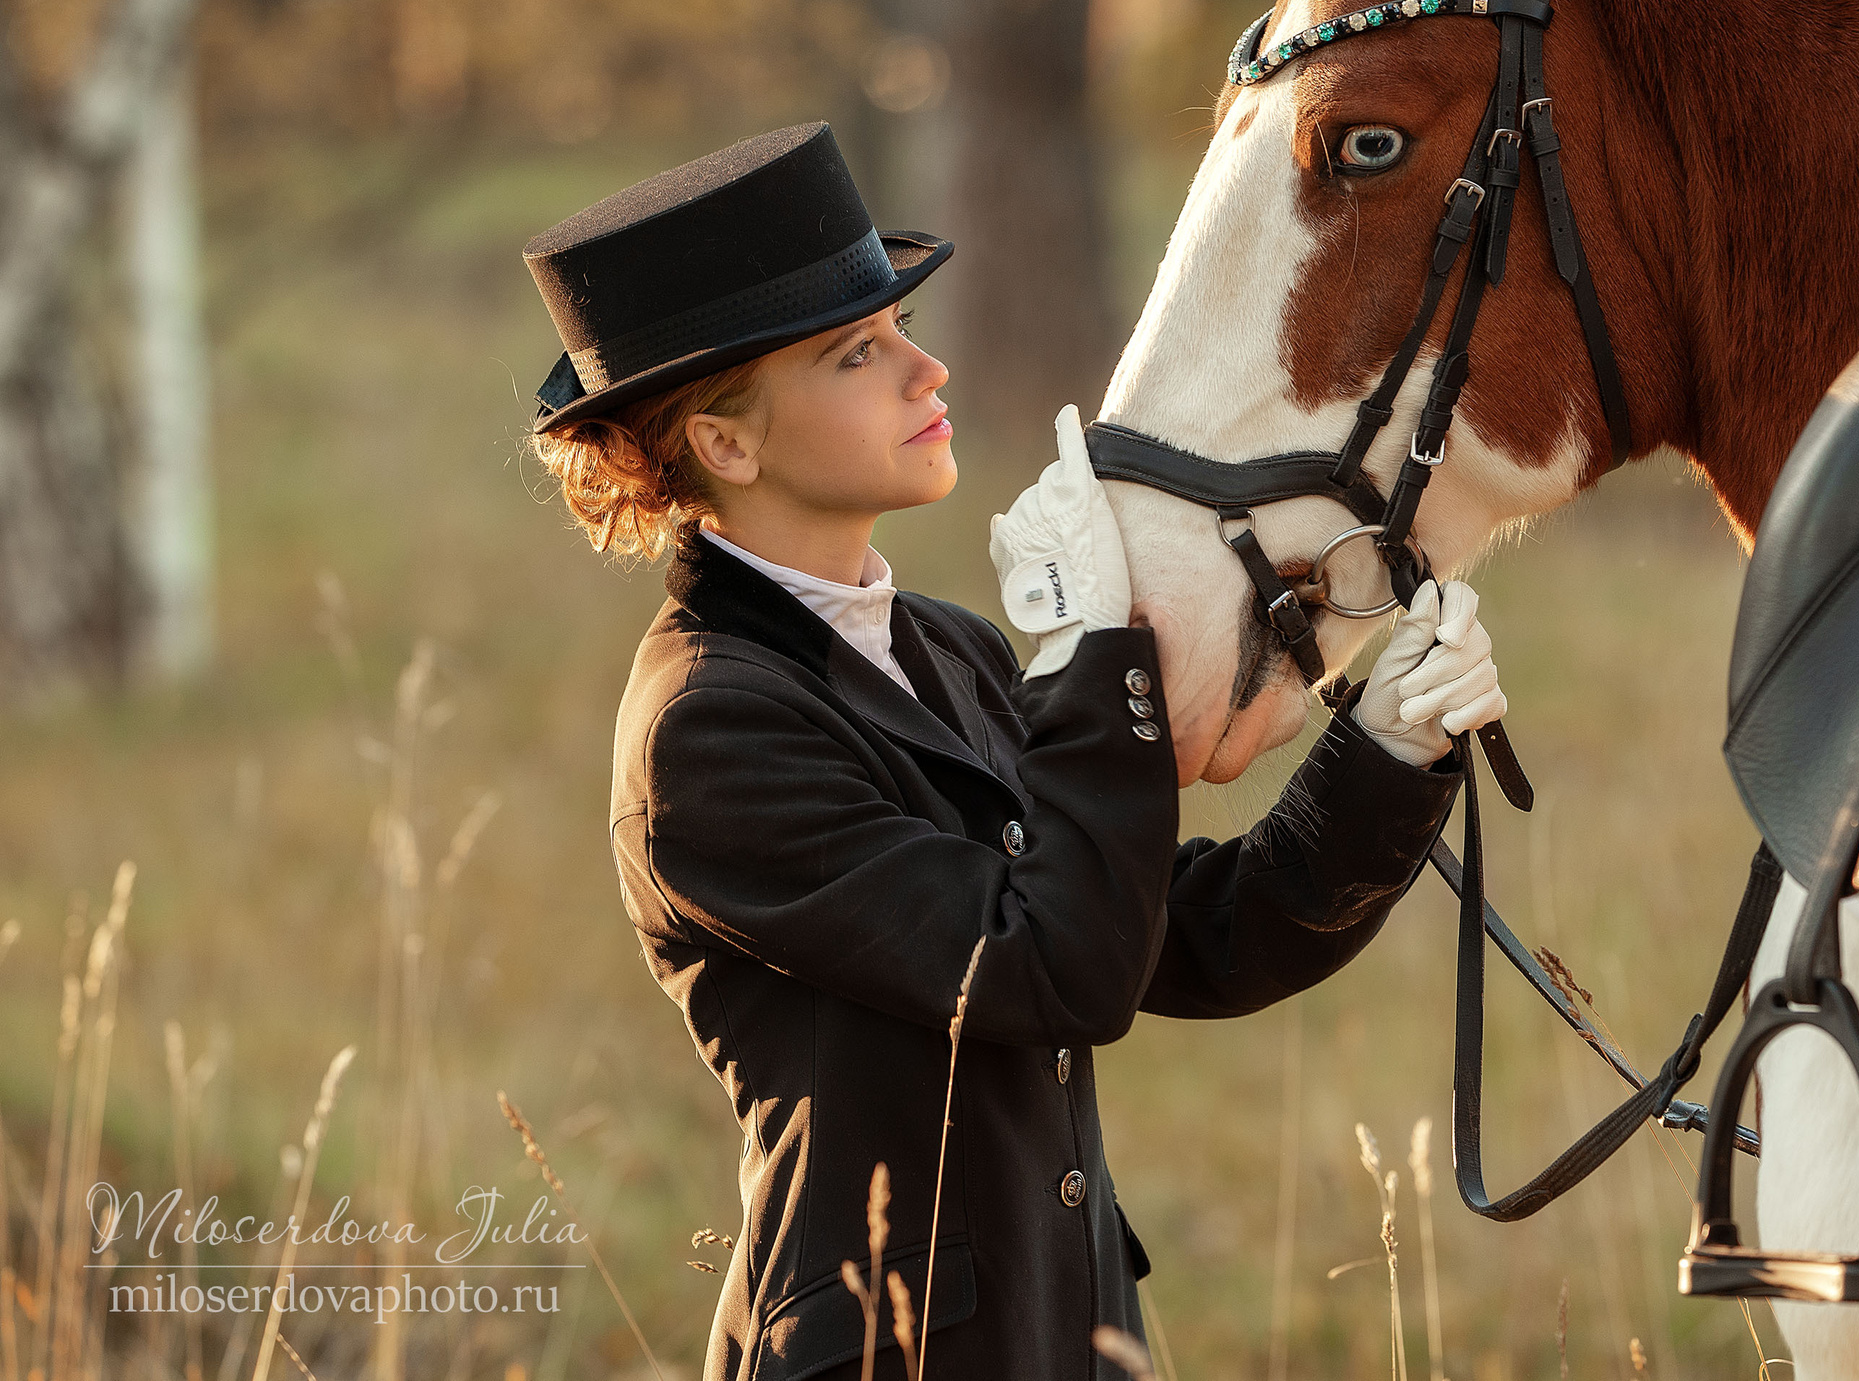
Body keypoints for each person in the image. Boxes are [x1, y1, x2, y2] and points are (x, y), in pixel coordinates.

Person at [519, 123, 1509, 1381]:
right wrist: (1087, 656)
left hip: (1071, 1336)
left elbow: (1173, 937)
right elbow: (1057, 966)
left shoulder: (943, 645)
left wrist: (1384, 750)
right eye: (858, 352)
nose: (926, 368)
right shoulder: (706, 732)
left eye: (903, 328)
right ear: (726, 442)